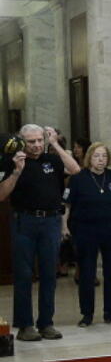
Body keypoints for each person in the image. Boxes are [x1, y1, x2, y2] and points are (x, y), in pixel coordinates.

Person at [0, 125, 80, 341]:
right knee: (24, 274)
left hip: (50, 221)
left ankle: (46, 323)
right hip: (24, 221)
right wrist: (17, 170)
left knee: (48, 275)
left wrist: (54, 143)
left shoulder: (52, 160)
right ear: (21, 142)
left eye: (39, 140)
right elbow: (2, 194)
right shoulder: (11, 161)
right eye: (30, 141)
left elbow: (75, 170)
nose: (36, 145)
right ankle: (25, 325)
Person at [63, 143, 111, 326]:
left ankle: (110, 312)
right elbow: (67, 206)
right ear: (89, 158)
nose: (100, 159)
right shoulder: (78, 178)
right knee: (87, 272)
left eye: (103, 156)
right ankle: (87, 314)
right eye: (96, 156)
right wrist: (64, 226)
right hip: (86, 230)